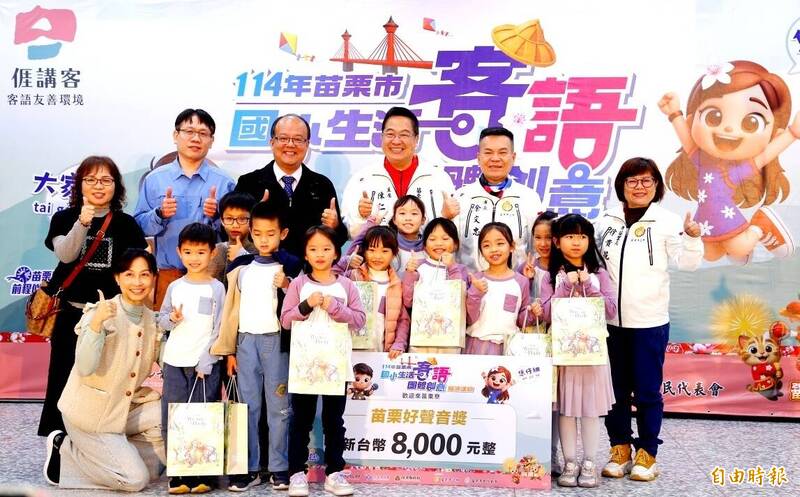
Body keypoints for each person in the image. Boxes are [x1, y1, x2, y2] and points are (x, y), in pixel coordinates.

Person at [595, 157, 702, 482]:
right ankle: (619, 449)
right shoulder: (605, 221)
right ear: (621, 186)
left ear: (656, 186)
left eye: (646, 181)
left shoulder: (667, 222)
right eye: (632, 181)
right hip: (609, 324)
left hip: (649, 323)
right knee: (613, 392)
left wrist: (693, 238)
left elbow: (688, 264)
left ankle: (647, 454)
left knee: (647, 392)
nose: (639, 187)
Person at [38, 156, 147, 437]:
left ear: (116, 186)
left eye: (106, 180)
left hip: (110, 316)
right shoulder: (64, 218)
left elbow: (137, 266)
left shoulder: (126, 224)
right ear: (80, 185)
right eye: (91, 180)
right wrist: (82, 222)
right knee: (61, 376)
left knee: (104, 378)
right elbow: (66, 255)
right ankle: (57, 439)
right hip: (70, 313)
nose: (99, 186)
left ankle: (97, 437)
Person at [43, 249, 164, 491]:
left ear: (153, 278)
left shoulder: (153, 321)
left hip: (122, 410)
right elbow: (85, 367)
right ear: (117, 278)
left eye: (144, 275)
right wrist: (97, 324)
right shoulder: (99, 313)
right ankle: (64, 454)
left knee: (162, 441)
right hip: (90, 416)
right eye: (129, 274)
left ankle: (116, 454)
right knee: (135, 480)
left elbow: (169, 363)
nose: (137, 282)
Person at [660, 60, 800, 263]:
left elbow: (764, 156)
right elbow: (687, 141)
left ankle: (759, 226)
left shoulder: (737, 171)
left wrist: (792, 134)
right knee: (709, 255)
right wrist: (674, 113)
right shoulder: (701, 161)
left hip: (726, 217)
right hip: (705, 219)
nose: (728, 129)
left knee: (739, 247)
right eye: (713, 116)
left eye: (751, 122)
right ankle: (734, 247)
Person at [210, 201, 302, 492]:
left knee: (280, 409)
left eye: (271, 233)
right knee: (247, 408)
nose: (264, 239)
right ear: (251, 232)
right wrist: (230, 351)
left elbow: (300, 304)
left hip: (277, 343)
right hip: (245, 342)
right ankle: (248, 469)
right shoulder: (240, 267)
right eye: (258, 233)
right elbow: (230, 312)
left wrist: (287, 284)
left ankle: (279, 468)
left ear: (283, 234)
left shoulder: (292, 265)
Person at [280, 226, 366, 497]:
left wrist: (334, 307)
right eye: (313, 249)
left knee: (333, 421)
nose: (320, 254)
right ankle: (297, 473)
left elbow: (359, 320)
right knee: (300, 421)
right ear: (305, 254)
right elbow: (285, 320)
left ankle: (334, 473)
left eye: (326, 248)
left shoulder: (346, 285)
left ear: (336, 253)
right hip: (304, 366)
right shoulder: (299, 284)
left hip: (335, 366)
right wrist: (306, 305)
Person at [534, 214, 617, 488]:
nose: (577, 242)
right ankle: (570, 462)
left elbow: (610, 310)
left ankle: (589, 462)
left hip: (593, 354)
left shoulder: (599, 273)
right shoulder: (551, 276)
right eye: (569, 236)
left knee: (591, 410)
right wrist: (567, 286)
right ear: (557, 242)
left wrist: (588, 286)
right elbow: (546, 313)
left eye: (582, 236)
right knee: (566, 410)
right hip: (563, 355)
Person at [133, 108, 235, 307]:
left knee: (209, 325)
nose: (196, 138)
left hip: (211, 277)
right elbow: (138, 228)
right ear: (175, 135)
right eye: (189, 132)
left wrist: (216, 217)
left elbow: (237, 234)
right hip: (167, 276)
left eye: (203, 133)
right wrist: (160, 214)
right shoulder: (155, 179)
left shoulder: (225, 183)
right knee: (166, 325)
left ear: (211, 140)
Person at [157, 223, 224, 494]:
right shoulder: (175, 286)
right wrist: (172, 319)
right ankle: (178, 474)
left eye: (200, 252)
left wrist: (208, 359)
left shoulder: (217, 288)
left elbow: (219, 328)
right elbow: (161, 320)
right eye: (188, 252)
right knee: (173, 417)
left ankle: (203, 474)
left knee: (202, 417)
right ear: (179, 252)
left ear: (212, 253)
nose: (194, 258)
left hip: (204, 365)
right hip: (175, 361)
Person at [234, 114, 347, 258]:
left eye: (298, 139)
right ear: (272, 142)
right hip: (260, 265)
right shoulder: (249, 183)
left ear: (307, 144)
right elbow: (232, 232)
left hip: (308, 269)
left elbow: (340, 238)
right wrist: (253, 217)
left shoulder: (322, 185)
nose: (290, 144)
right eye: (283, 138)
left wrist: (334, 226)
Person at [341, 106, 458, 237]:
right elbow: (348, 232)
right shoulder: (362, 179)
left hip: (424, 250)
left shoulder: (439, 178)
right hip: (379, 250)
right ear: (382, 137)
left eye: (404, 135)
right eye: (390, 134)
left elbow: (454, 232)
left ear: (416, 139)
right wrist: (361, 217)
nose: (396, 141)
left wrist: (446, 217)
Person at [455, 127, 543, 272]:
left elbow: (538, 249)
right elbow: (450, 247)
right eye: (488, 152)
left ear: (513, 157)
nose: (495, 158)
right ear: (478, 157)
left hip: (517, 283)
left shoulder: (529, 198)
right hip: (470, 282)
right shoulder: (461, 197)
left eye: (502, 152)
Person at [334, 216, 410, 357]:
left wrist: (399, 343)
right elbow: (329, 277)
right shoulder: (353, 276)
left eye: (384, 251)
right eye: (372, 250)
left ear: (394, 253)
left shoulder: (396, 285)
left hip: (381, 352)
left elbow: (402, 320)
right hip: (349, 350)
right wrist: (346, 262)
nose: (377, 256)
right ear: (364, 251)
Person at [401, 218, 468, 354]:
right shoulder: (418, 266)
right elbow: (408, 301)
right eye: (432, 239)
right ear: (424, 245)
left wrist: (452, 267)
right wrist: (410, 273)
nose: (439, 243)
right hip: (421, 337)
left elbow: (459, 301)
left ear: (456, 244)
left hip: (450, 339)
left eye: (445, 238)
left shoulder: (461, 270)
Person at [465, 222, 533, 355]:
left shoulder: (521, 281)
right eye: (486, 245)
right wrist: (476, 292)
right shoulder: (476, 279)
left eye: (500, 243)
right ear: (481, 251)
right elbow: (469, 319)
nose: (494, 249)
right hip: (477, 346)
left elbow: (521, 320)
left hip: (510, 348)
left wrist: (532, 312)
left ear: (512, 246)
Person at [208, 191, 258, 284]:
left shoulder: (260, 251)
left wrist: (241, 256)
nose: (235, 225)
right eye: (229, 218)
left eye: (242, 219)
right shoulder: (215, 251)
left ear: (252, 220)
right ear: (222, 220)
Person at [388, 195, 426, 272]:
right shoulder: (388, 244)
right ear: (394, 219)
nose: (408, 218)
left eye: (414, 213)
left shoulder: (429, 246)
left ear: (423, 220)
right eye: (402, 213)